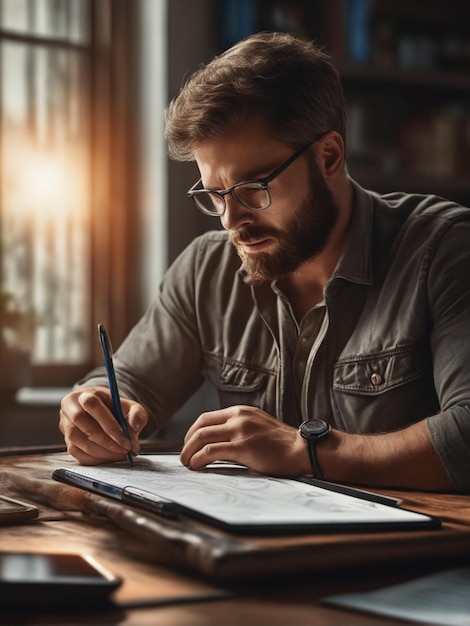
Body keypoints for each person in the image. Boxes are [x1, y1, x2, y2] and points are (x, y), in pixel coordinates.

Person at [59, 31, 470, 492]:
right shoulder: (206, 271)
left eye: (255, 188)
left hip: (414, 557)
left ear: (329, 155)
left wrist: (305, 452)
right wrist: (92, 410)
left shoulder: (445, 249)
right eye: (214, 195)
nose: (232, 220)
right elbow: (129, 380)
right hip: (253, 553)